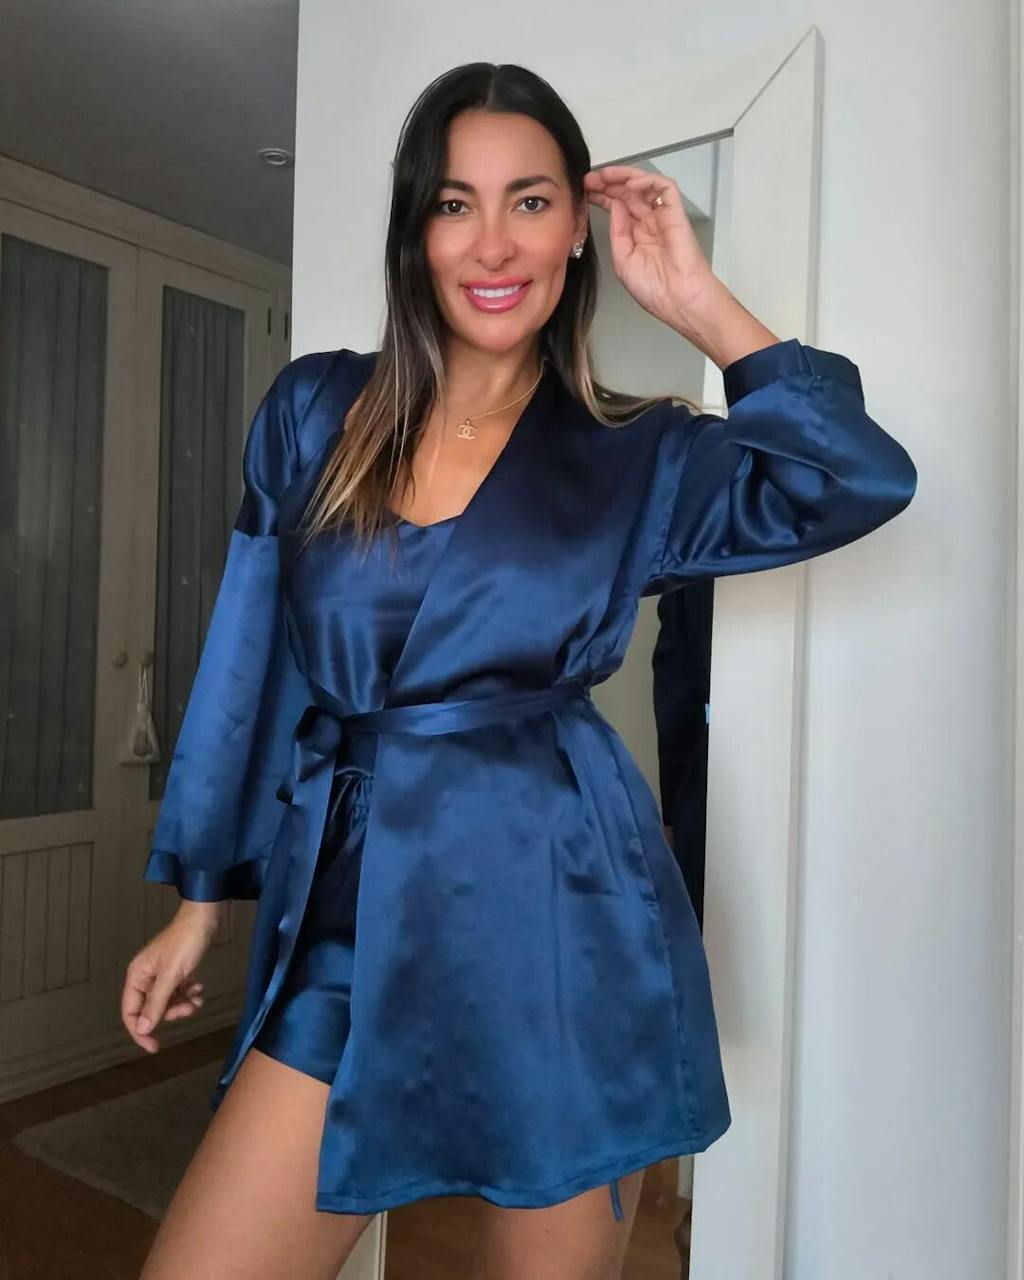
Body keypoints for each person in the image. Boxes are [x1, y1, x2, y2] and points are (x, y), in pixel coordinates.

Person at [122, 62, 917, 1280]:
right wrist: (200, 899)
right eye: (455, 204)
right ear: (416, 231)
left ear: (577, 229)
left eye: (530, 201)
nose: (492, 243)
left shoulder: (638, 452)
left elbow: (854, 475)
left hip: (561, 920)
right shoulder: (316, 409)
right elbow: (253, 659)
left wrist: (700, 303)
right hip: (347, 912)